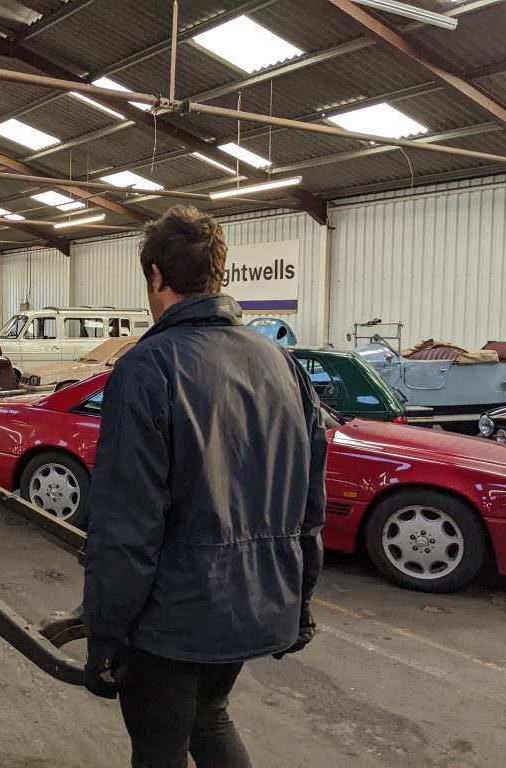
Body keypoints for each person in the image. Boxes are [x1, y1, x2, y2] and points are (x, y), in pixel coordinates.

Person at [81, 205, 327, 768]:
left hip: (173, 617)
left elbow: (125, 521)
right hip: (257, 601)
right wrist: (300, 597)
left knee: (161, 748)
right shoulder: (281, 362)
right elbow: (310, 505)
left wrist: (107, 628)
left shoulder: (147, 367)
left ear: (155, 277)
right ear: (219, 275)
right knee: (210, 717)